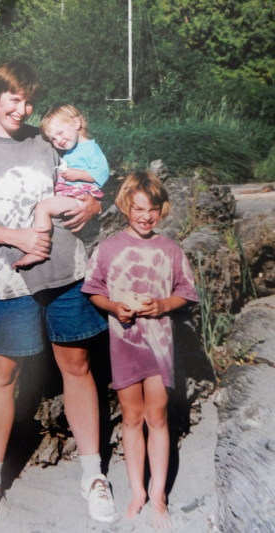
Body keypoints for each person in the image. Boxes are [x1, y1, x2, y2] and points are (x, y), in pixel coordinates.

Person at [0, 60, 118, 527]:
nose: (21, 109)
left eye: (28, 100)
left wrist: (93, 202)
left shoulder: (47, 141)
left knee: (77, 366)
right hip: (6, 279)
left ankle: (92, 473)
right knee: (1, 373)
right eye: (13, 99)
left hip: (66, 273)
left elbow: (89, 179)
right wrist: (15, 237)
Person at [81, 170, 199, 529]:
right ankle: (138, 492)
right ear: (126, 208)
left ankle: (159, 495)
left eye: (152, 209)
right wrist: (115, 307)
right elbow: (93, 289)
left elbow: (186, 292)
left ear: (162, 210)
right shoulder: (109, 247)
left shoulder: (170, 249)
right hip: (125, 343)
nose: (145, 216)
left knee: (157, 417)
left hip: (159, 345)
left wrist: (163, 306)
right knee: (131, 418)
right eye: (138, 209)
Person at [13, 103, 109, 268]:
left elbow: (103, 173)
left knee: (42, 208)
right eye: (53, 139)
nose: (58, 140)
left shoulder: (90, 149)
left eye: (60, 133)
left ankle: (37, 249)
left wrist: (78, 175)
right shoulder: (71, 151)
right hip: (72, 195)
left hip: (79, 196)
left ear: (76, 123)